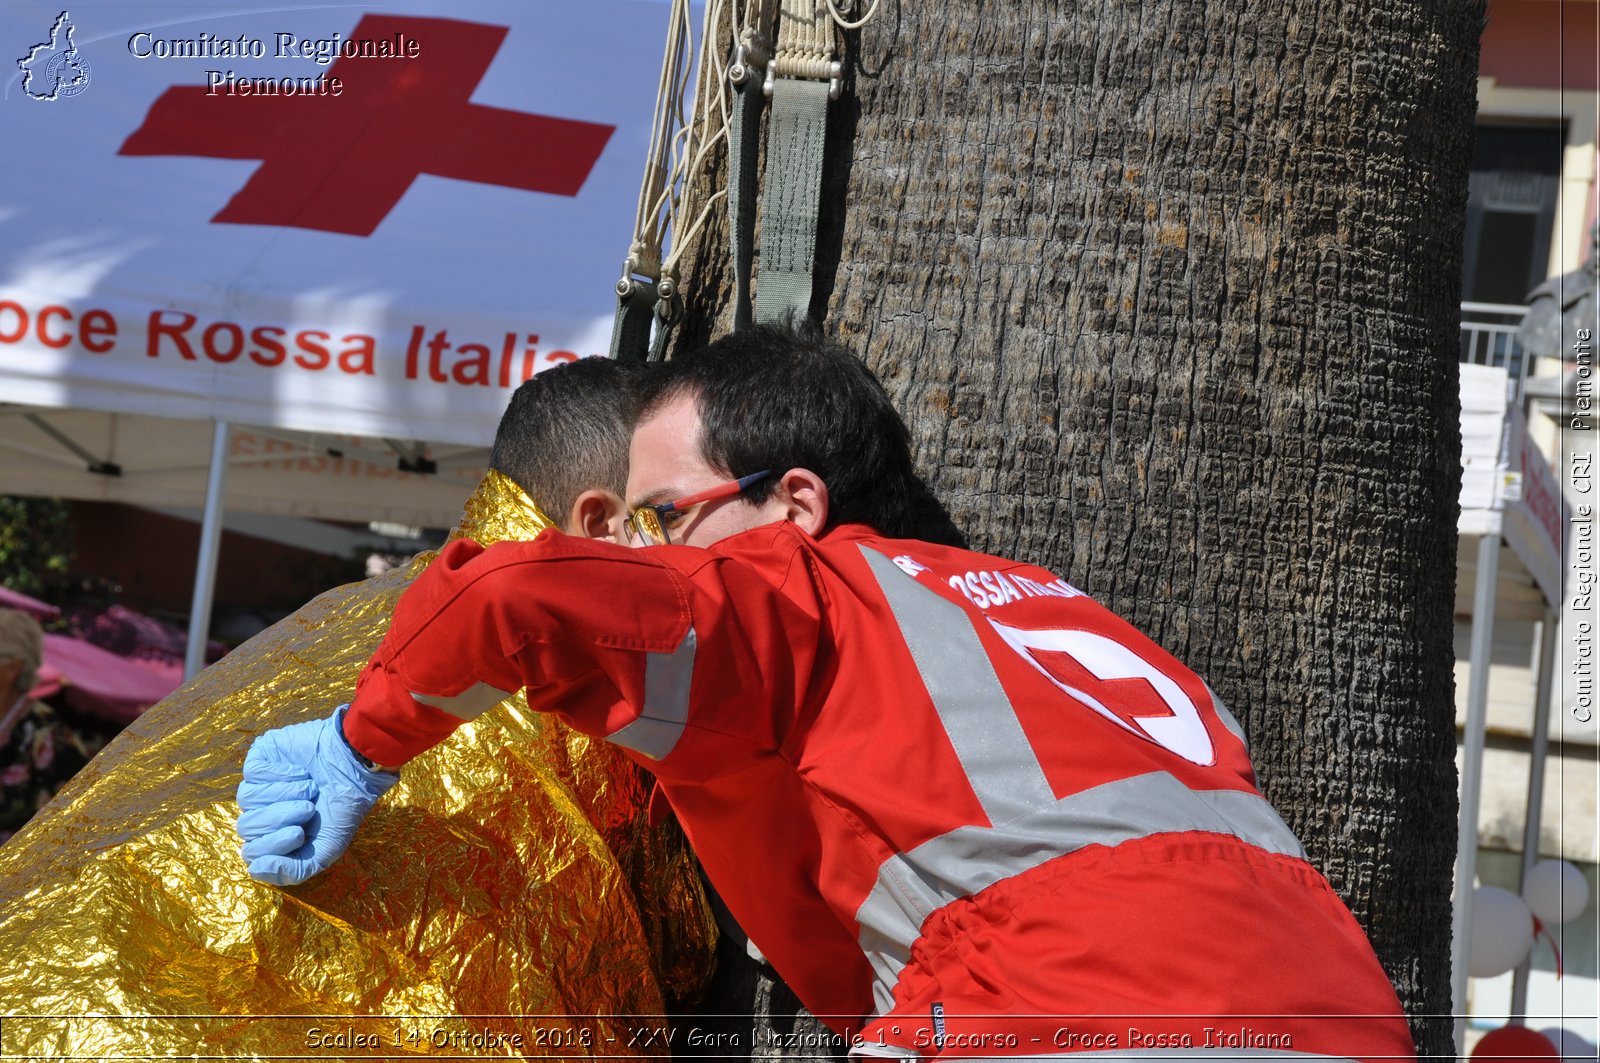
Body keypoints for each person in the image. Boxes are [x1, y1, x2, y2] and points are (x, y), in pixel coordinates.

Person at [238, 325, 1416, 1062]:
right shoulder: (1053, 610)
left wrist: (359, 742)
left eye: (662, 517)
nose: (647, 552)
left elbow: (505, 599)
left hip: (1067, 1005)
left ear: (792, 503)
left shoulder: (796, 588)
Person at [0, 358, 712, 1060]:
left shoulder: (346, 610)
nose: (710, 562)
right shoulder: (583, 683)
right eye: (680, 516)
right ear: (604, 522)